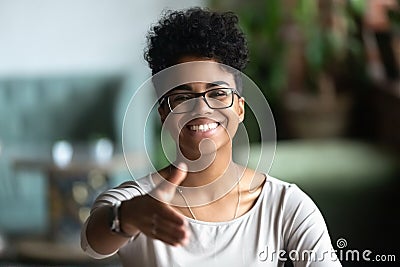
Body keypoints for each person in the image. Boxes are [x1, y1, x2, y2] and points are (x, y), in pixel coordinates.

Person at [81, 7, 341, 267]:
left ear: (239, 108)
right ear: (164, 114)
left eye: (217, 93)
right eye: (182, 97)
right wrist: (129, 217)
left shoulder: (285, 205)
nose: (201, 108)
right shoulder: (135, 203)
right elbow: (92, 243)